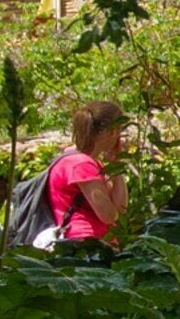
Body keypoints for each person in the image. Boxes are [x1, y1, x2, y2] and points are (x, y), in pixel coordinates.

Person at [45, 102, 131, 247]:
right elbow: (109, 215)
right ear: (112, 132)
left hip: (95, 242)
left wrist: (117, 165)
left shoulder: (90, 163)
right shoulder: (81, 165)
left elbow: (120, 208)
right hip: (85, 244)